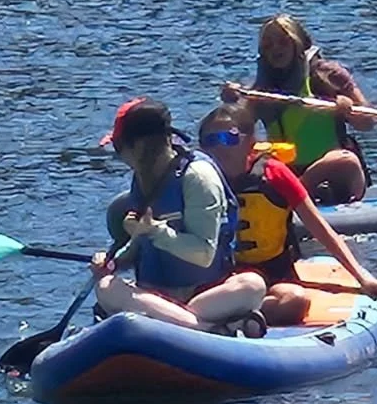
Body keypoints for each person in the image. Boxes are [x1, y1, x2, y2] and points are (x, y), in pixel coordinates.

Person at [196, 104, 377, 326]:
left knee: (296, 301)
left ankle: (233, 320)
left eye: (228, 138)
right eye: (210, 141)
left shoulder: (274, 174)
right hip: (224, 277)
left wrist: (364, 279)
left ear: (250, 142)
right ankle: (232, 318)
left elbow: (320, 228)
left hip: (274, 272)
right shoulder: (198, 179)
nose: (219, 148)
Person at [93, 98, 267, 333]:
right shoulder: (141, 179)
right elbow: (140, 247)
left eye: (119, 148)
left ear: (140, 146)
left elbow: (204, 253)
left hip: (204, 295)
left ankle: (174, 322)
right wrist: (114, 262)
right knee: (105, 286)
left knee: (252, 285)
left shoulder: (198, 177)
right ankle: (206, 328)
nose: (120, 157)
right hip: (157, 296)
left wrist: (155, 230)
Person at [223, 14, 372, 205]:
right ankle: (289, 193)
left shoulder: (327, 74)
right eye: (268, 45)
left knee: (345, 160)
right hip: (286, 172)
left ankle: (293, 193)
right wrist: (233, 103)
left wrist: (347, 109)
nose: (276, 49)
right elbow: (237, 132)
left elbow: (367, 123)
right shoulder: (261, 90)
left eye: (283, 42)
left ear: (298, 43)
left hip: (333, 174)